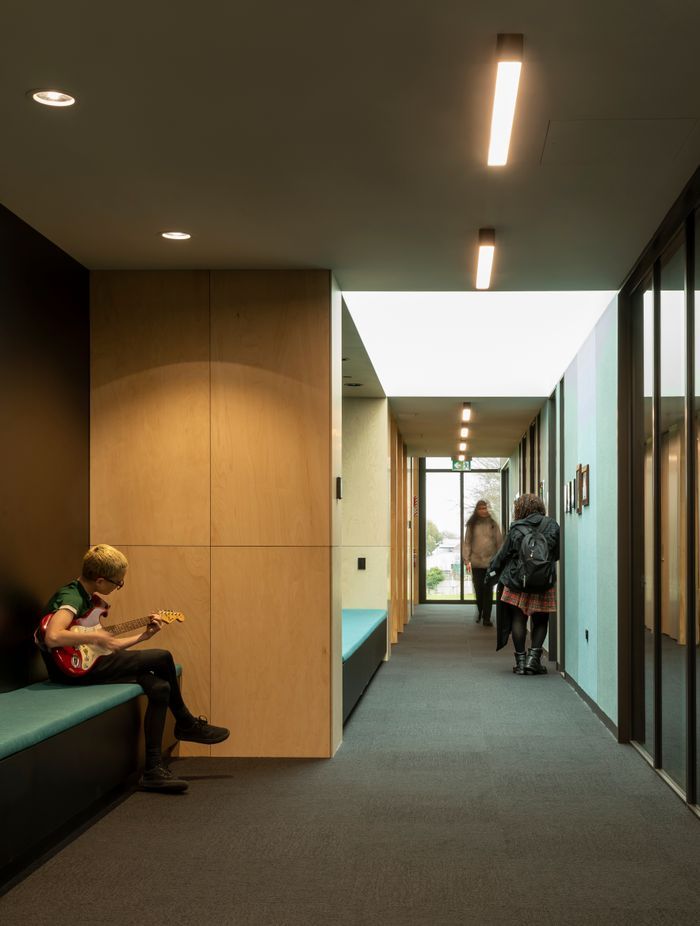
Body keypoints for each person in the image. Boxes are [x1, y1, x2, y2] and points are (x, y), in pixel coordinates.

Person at [36, 544, 230, 793]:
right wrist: (94, 638)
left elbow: (107, 645)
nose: (118, 587)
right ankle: (185, 722)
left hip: (88, 662)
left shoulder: (88, 599)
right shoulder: (72, 597)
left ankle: (153, 770)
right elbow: (53, 637)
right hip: (73, 671)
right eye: (118, 583)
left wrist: (143, 637)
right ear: (101, 579)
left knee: (159, 688)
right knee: (162, 657)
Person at [485, 493, 559, 675]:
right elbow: (556, 554)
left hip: (517, 581)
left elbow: (503, 555)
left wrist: (491, 572)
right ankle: (534, 661)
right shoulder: (552, 525)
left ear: (520, 509)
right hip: (543, 581)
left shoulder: (516, 528)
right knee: (541, 620)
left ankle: (520, 662)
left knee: (519, 619)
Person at [462, 499, 503, 626]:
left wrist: (498, 560)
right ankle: (480, 610)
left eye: (484, 508)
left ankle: (487, 617)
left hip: (490, 564)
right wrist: (466, 559)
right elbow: (467, 543)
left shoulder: (493, 524)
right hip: (476, 563)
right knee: (478, 589)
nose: (483, 511)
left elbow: (499, 543)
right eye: (480, 508)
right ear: (476, 510)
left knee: (488, 589)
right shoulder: (471, 525)